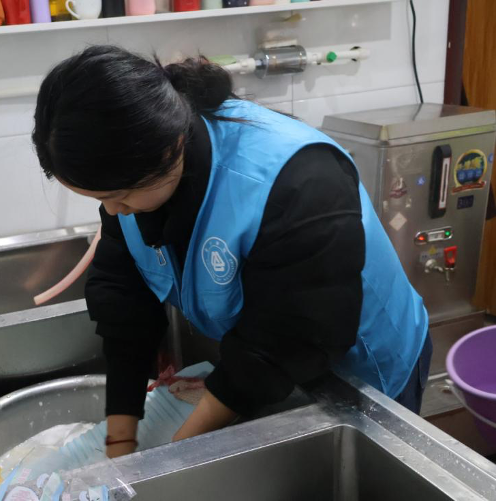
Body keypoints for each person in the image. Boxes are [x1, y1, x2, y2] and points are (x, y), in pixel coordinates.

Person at [31, 45, 432, 459]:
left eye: (119, 196)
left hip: (359, 369)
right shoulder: (134, 181)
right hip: (270, 359)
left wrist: (174, 459)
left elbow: (288, 339)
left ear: (167, 151)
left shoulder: (298, 181)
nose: (112, 212)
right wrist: (120, 435)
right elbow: (123, 303)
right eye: (101, 199)